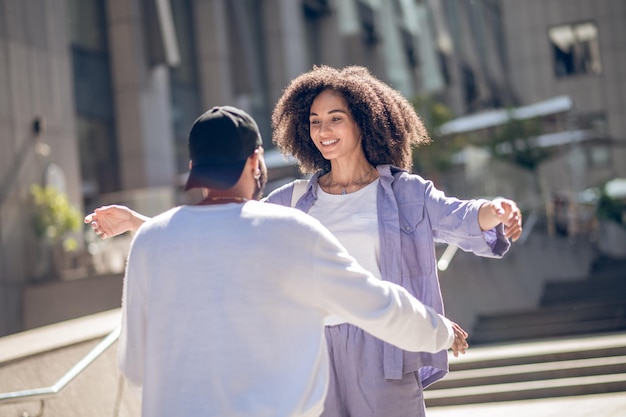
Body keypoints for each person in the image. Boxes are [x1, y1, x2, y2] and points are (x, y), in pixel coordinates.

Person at [86, 65, 521, 416]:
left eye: (336, 119)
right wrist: (137, 221)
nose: (323, 130)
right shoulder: (294, 202)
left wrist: (496, 210)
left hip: (383, 343)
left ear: (364, 122)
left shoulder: (404, 192)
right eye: (314, 122)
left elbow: (461, 216)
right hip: (314, 343)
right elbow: (226, 228)